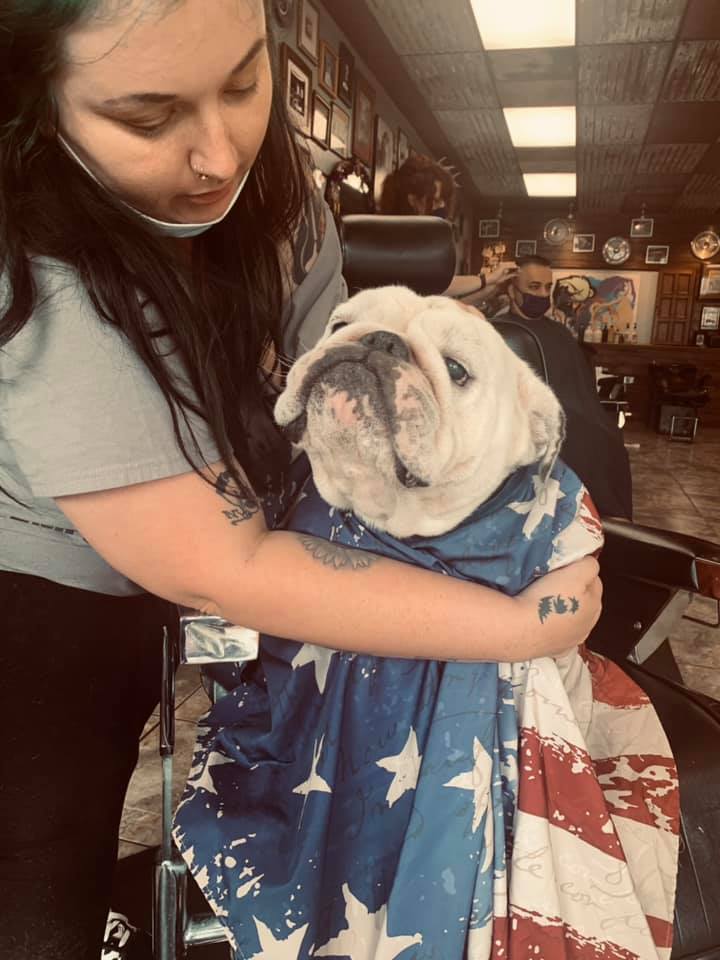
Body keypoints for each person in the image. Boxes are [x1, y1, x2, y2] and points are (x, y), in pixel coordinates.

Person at [0, 3, 602, 958]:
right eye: (149, 117)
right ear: (33, 104)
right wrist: (530, 623)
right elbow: (222, 566)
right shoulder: (36, 270)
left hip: (228, 535)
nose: (219, 155)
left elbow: (329, 408)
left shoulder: (281, 200)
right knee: (43, 854)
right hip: (41, 584)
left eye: (245, 83)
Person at [493, 255, 633, 519]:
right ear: (512, 290)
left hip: (578, 420)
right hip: (536, 432)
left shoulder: (559, 332)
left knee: (611, 445)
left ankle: (606, 523)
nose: (542, 294)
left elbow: (580, 388)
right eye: (534, 287)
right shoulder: (501, 333)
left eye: (548, 287)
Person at [379, 154, 517, 302]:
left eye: (443, 201)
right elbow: (434, 284)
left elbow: (432, 296)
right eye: (436, 200)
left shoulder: (423, 242)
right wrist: (487, 279)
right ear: (412, 200)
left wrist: (485, 288)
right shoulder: (393, 243)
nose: (442, 206)